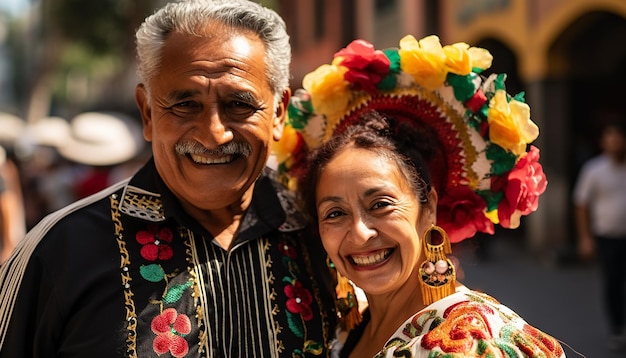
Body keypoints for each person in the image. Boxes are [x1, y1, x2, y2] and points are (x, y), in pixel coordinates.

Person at [0, 0, 337, 356]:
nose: (214, 135)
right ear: (147, 112)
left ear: (279, 113)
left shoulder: (326, 236)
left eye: (239, 104)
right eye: (185, 105)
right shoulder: (59, 250)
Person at [273, 36, 565, 356]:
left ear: (429, 209)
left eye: (380, 205)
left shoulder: (474, 343)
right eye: (335, 213)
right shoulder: (344, 326)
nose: (359, 233)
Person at [573, 119, 626, 351]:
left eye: (618, 135)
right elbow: (581, 204)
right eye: (610, 136)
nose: (614, 140)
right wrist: (585, 238)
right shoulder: (594, 169)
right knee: (613, 283)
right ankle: (617, 328)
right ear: (603, 141)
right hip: (608, 237)